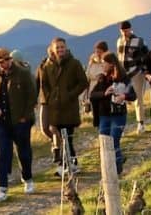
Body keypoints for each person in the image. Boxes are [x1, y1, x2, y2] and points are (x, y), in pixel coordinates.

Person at [0, 47, 37, 203]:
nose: (0, 65)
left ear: (9, 59)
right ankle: (2, 187)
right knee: (3, 153)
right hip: (2, 121)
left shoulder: (23, 73)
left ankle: (28, 179)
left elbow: (32, 96)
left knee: (23, 152)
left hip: (20, 121)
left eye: (2, 61)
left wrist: (25, 117)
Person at [38, 37, 88, 175]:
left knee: (68, 137)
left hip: (69, 107)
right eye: (57, 47)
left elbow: (83, 82)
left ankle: (70, 164)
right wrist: (49, 97)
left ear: (66, 48)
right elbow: (44, 84)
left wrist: (70, 95)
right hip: (54, 107)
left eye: (62, 47)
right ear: (53, 49)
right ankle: (67, 164)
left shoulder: (74, 63)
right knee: (58, 136)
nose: (60, 49)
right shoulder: (47, 65)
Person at [89, 52, 131, 172]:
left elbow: (132, 94)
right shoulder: (102, 79)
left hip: (119, 115)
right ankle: (111, 165)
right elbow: (92, 95)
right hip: (104, 116)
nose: (102, 66)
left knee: (114, 140)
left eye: (104, 63)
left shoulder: (124, 78)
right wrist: (104, 93)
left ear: (112, 64)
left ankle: (117, 167)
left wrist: (124, 95)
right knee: (104, 142)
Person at [116, 21, 150, 134]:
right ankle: (122, 124)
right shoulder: (119, 41)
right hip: (123, 75)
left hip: (136, 73)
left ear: (130, 29)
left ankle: (141, 123)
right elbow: (119, 57)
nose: (125, 33)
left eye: (126, 30)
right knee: (122, 98)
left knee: (138, 98)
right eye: (122, 31)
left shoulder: (139, 41)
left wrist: (145, 71)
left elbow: (146, 56)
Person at [84, 41, 109, 127]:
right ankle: (98, 126)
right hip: (93, 90)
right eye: (96, 51)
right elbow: (87, 76)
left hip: (104, 89)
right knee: (95, 111)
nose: (98, 54)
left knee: (103, 110)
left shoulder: (108, 62)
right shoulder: (92, 63)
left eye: (100, 51)